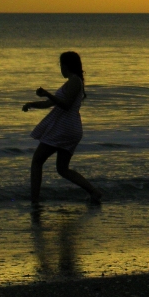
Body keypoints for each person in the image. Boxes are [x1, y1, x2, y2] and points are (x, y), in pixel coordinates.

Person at [22, 51, 102, 205]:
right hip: (69, 129)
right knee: (62, 168)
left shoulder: (74, 81)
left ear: (66, 66)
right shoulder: (73, 81)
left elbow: (66, 105)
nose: (60, 69)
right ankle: (94, 192)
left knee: (37, 161)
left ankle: (34, 200)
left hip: (64, 128)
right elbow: (50, 104)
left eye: (60, 65)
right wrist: (31, 104)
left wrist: (48, 94)